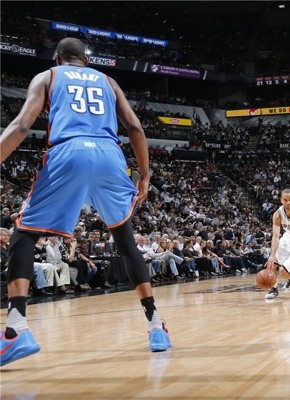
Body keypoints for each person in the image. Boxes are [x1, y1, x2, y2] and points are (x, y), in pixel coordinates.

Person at [0, 37, 171, 366]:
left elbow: (21, 125)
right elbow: (135, 127)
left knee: (24, 233)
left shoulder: (48, 76)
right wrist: (145, 176)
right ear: (85, 60)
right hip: (110, 156)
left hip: (69, 151)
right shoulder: (108, 81)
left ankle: (15, 328)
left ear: (57, 58)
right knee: (125, 241)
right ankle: (156, 326)